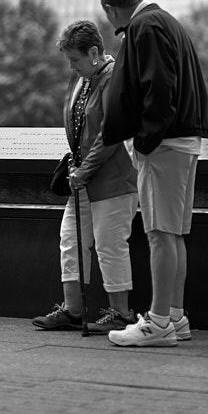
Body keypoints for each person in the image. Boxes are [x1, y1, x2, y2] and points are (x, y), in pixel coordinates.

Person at [99, 0, 208, 347]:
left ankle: (159, 322)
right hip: (185, 140)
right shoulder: (168, 21)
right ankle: (176, 317)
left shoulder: (143, 27)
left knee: (159, 234)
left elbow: (159, 88)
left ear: (111, 10)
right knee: (175, 233)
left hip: (164, 144)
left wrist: (144, 142)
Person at [32, 20, 138, 334]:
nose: (71, 66)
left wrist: (84, 170)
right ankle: (73, 310)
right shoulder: (85, 79)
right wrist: (77, 169)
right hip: (83, 178)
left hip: (113, 180)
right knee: (71, 240)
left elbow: (111, 134)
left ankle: (122, 314)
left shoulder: (112, 78)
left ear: (94, 52)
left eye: (74, 59)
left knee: (109, 244)